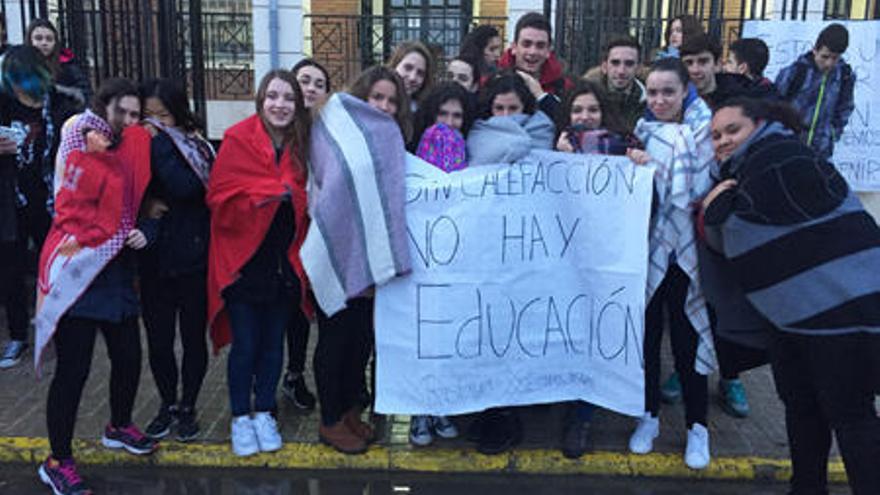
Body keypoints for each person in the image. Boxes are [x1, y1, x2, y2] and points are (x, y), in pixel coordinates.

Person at [703, 96, 880, 495]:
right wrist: (721, 206)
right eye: (715, 136)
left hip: (841, 317)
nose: (723, 141)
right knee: (802, 409)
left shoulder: (782, 156)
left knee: (851, 418)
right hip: (792, 316)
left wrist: (717, 208)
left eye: (733, 130)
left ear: (761, 125)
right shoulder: (744, 170)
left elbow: (733, 235)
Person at [34, 77, 157, 495]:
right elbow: (68, 200)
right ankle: (57, 460)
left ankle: (118, 425)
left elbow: (144, 198)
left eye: (134, 114)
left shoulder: (134, 143)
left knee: (128, 357)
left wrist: (142, 227)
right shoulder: (76, 133)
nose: (126, 120)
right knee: (74, 370)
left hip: (117, 268)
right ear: (103, 106)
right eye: (119, 111)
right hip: (80, 266)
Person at [206, 70, 312, 457]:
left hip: (283, 264)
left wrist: (292, 196)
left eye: (288, 98)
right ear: (261, 100)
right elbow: (219, 198)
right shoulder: (237, 138)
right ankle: (239, 416)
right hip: (243, 264)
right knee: (246, 345)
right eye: (273, 96)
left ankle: (264, 411)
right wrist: (271, 193)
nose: (280, 104)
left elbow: (310, 194)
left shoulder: (302, 145)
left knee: (272, 348)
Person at [309, 66, 411, 455]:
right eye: (377, 98)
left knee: (359, 341)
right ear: (361, 96)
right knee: (333, 340)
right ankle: (329, 420)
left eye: (391, 101)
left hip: (371, 257)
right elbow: (329, 188)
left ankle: (349, 410)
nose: (384, 106)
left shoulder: (393, 139)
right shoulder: (335, 129)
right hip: (338, 249)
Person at [628, 58, 715, 470]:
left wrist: (654, 169)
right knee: (646, 339)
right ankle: (649, 417)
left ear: (685, 93)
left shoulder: (705, 132)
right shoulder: (641, 133)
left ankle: (698, 427)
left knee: (688, 339)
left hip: (689, 254)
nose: (659, 100)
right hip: (648, 249)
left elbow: (699, 187)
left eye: (668, 92)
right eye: (653, 92)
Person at [552, 79, 646, 459]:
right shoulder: (557, 148)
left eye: (592, 109)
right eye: (577, 110)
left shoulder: (628, 147)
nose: (585, 117)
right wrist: (563, 161)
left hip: (606, 262)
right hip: (563, 261)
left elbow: (642, 196)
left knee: (595, 334)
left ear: (603, 112)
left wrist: (640, 164)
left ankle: (583, 415)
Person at [462, 72, 554, 455]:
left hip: (526, 251)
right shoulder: (474, 136)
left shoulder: (543, 133)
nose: (504, 117)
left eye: (513, 109)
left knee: (516, 333)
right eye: (497, 109)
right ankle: (485, 408)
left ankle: (509, 411)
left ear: (526, 109)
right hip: (482, 249)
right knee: (487, 332)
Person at [137, 78, 214, 442]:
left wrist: (162, 145)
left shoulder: (194, 145)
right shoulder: (135, 144)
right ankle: (167, 403)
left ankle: (188, 405)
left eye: (162, 115)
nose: (153, 123)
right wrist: (145, 206)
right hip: (153, 261)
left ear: (178, 113)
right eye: (146, 116)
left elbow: (187, 188)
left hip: (193, 257)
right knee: (159, 341)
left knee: (193, 339)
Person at [0, 46, 79, 370]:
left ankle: (63, 330)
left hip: (52, 200)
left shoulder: (62, 104)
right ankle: (18, 334)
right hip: (10, 200)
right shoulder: (3, 104)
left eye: (21, 78)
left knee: (57, 267)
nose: (17, 86)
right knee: (10, 268)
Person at [280, 58, 331, 411]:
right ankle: (285, 376)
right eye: (304, 80)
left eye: (319, 83)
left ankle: (303, 375)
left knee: (314, 310)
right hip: (286, 234)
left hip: (322, 234)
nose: (310, 88)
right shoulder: (278, 130)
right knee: (288, 310)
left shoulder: (331, 130)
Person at [775, 23, 855, 160]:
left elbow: (845, 107)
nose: (829, 63)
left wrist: (832, 134)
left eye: (835, 58)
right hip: (788, 146)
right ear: (814, 50)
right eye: (825, 56)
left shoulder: (844, 76)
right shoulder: (795, 72)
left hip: (821, 152)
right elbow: (774, 105)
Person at [680, 34, 774, 110]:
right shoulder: (674, 99)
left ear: (717, 64)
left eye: (703, 61)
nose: (695, 70)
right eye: (688, 63)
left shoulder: (742, 100)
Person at [497, 12, 573, 99]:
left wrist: (541, 96)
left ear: (548, 50)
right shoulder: (491, 83)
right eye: (526, 44)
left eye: (540, 46)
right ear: (514, 47)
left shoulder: (565, 87)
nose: (533, 52)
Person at [26, 18, 92, 111]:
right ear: (29, 40)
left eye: (49, 39)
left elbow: (85, 96)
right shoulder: (19, 68)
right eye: (38, 38)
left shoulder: (68, 67)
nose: (44, 43)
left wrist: (58, 91)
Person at [584, 36, 646, 132]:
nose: (621, 71)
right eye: (615, 63)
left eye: (629, 64)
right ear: (604, 67)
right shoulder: (585, 100)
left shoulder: (650, 104)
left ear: (638, 68)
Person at [387, 41, 434, 112]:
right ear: (394, 66)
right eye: (408, 68)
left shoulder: (426, 113)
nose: (413, 77)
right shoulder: (373, 104)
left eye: (420, 73)